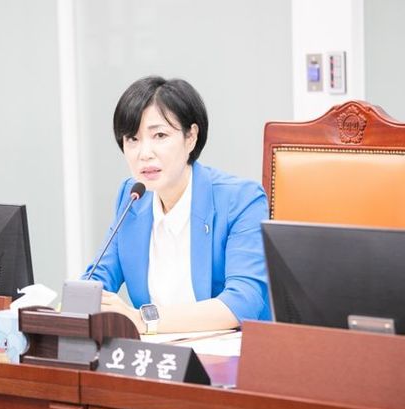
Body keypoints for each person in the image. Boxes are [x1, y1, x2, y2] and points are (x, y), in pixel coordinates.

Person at [83, 75, 271, 334]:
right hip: (157, 352)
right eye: (132, 139)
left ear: (190, 137)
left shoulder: (241, 199)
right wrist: (73, 305)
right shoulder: (133, 198)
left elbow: (242, 302)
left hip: (231, 353)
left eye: (159, 135)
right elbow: (98, 279)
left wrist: (141, 319)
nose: (144, 153)